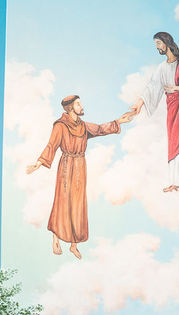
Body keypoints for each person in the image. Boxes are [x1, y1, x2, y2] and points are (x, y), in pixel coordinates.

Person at [26, 96, 133, 259]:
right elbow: (52, 145)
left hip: (80, 167)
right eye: (78, 104)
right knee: (63, 201)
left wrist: (119, 121)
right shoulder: (60, 126)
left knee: (78, 204)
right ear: (70, 108)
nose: (81, 106)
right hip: (66, 165)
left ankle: (73, 245)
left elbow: (100, 129)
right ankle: (56, 238)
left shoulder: (83, 126)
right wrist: (39, 163)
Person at [128, 32, 179, 192]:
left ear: (166, 43)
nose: (157, 47)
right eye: (156, 44)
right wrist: (139, 103)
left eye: (158, 43)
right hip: (173, 110)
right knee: (175, 142)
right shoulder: (162, 67)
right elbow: (153, 86)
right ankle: (176, 181)